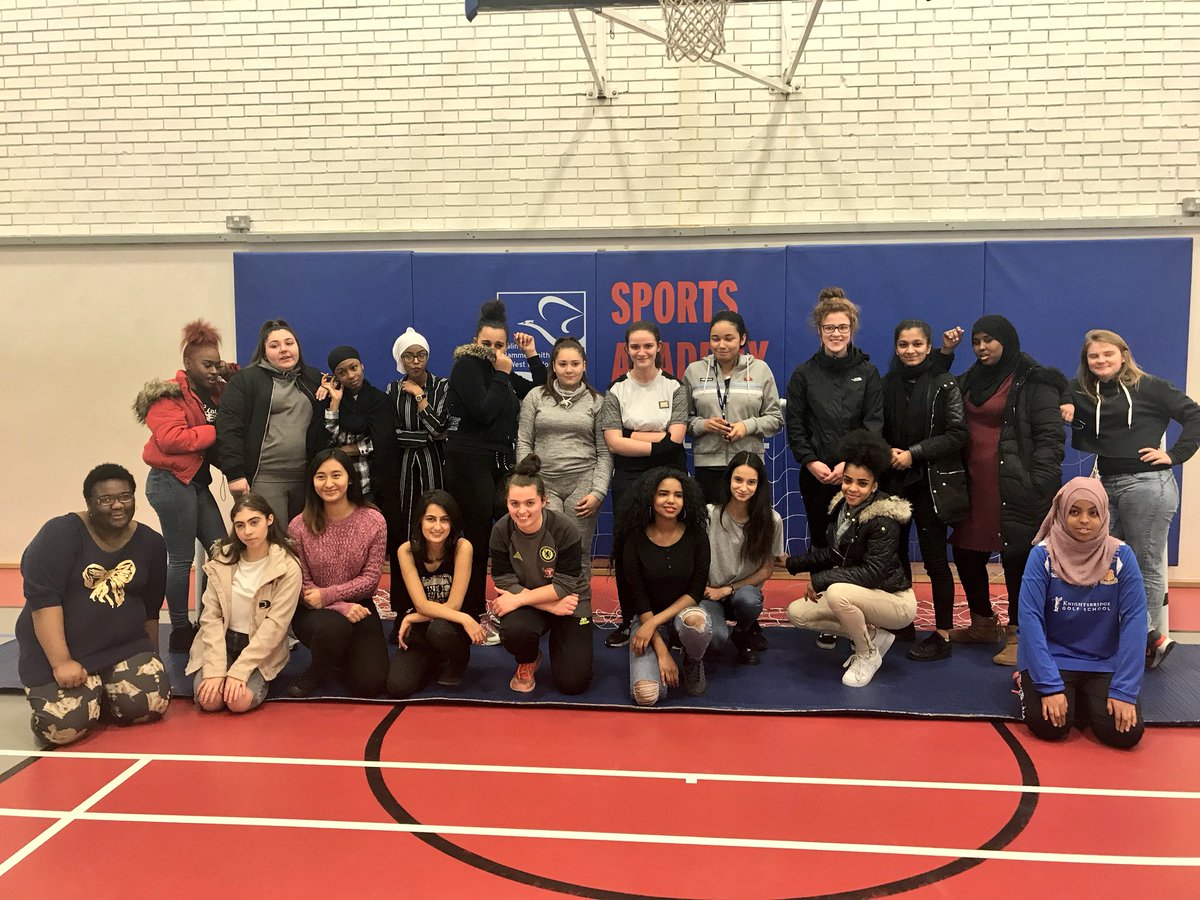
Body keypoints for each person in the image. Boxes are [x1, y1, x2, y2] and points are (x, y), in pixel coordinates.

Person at [1063, 329, 1200, 669]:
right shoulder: (1085, 392)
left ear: (1123, 354)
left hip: (1147, 485)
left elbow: (1195, 416)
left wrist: (1176, 454)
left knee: (1145, 563)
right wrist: (1066, 404)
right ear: (1087, 361)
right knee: (1103, 561)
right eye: (1094, 356)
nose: (1101, 361)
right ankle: (1131, 635)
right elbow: (1061, 394)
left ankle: (1145, 642)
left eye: (1108, 354)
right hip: (1105, 484)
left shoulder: (1150, 386)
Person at [17, 464, 171, 745]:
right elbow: (43, 602)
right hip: (65, 653)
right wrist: (61, 662)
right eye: (105, 499)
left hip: (122, 648)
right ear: (89, 503)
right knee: (62, 730)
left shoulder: (151, 543)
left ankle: (99, 690)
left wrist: (153, 656)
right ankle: (83, 694)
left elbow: (150, 609)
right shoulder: (60, 533)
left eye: (125, 496)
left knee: (149, 705)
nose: (117, 505)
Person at [947, 315, 1066, 667]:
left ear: (1006, 340)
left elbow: (1049, 437)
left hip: (1015, 485)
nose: (982, 347)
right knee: (967, 555)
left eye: (989, 340)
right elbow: (937, 389)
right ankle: (983, 623)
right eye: (977, 341)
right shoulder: (970, 379)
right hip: (972, 484)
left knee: (1017, 559)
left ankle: (1019, 633)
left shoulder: (1034, 379)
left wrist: (1038, 482)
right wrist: (944, 354)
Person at [785, 287, 883, 650]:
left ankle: (859, 612)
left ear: (852, 328)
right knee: (823, 542)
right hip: (816, 477)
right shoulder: (803, 374)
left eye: (843, 327)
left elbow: (874, 423)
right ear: (819, 330)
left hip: (856, 478)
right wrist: (812, 462)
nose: (836, 333)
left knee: (858, 546)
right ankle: (826, 614)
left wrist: (849, 465)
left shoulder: (869, 373)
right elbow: (796, 425)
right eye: (830, 327)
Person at [1016, 477, 1146, 749]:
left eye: (1093, 512)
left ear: (1104, 514)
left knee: (1124, 734)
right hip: (1054, 659)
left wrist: (1125, 690)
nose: (1084, 520)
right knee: (1050, 726)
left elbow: (1135, 621)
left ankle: (1082, 698)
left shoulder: (1122, 556)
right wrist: (1049, 685)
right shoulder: (1042, 556)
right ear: (1062, 513)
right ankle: (1030, 682)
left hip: (1102, 662)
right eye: (1075, 511)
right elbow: (1030, 620)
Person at [135, 319, 237, 653]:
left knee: (221, 551)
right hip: (169, 481)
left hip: (194, 481)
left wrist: (230, 371)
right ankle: (180, 629)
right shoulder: (168, 394)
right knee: (180, 559)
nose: (213, 370)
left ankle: (209, 619)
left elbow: (238, 373)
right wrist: (215, 432)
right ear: (187, 365)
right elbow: (171, 438)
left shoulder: (214, 389)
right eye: (207, 364)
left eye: (216, 363)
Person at [785, 431, 917, 688]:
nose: (852, 488)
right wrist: (791, 564)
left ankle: (867, 654)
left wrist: (821, 580)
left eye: (862, 483)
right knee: (797, 613)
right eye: (848, 481)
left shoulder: (884, 518)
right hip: (863, 593)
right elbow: (835, 553)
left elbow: (872, 572)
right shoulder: (842, 508)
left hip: (896, 602)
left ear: (874, 485)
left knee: (835, 594)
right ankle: (873, 638)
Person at [445, 300, 547, 626]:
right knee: (475, 539)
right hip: (469, 461)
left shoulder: (502, 371)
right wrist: (504, 375)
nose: (492, 349)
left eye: (499, 345)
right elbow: (484, 410)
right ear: (475, 342)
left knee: (506, 536)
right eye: (486, 344)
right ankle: (470, 610)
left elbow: (539, 391)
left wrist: (531, 355)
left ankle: (514, 604)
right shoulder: (467, 367)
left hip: (500, 463)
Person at [880, 319, 969, 662]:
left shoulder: (944, 384)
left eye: (917, 344)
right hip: (893, 483)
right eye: (904, 344)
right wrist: (887, 451)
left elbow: (957, 434)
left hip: (931, 484)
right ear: (896, 347)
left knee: (934, 562)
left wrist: (913, 454)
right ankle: (901, 622)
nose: (910, 350)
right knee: (894, 558)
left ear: (929, 346)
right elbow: (875, 425)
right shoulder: (887, 384)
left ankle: (943, 633)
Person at [600, 321, 688, 649]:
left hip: (669, 473)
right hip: (629, 477)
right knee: (628, 548)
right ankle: (629, 620)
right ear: (627, 350)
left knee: (673, 544)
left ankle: (672, 620)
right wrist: (657, 438)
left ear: (659, 347)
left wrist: (631, 434)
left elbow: (677, 439)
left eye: (647, 346)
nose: (641, 352)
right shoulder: (616, 390)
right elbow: (613, 442)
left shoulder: (675, 387)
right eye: (635, 347)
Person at [517, 336, 611, 622]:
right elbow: (523, 442)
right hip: (543, 483)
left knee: (578, 551)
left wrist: (598, 492)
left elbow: (605, 452)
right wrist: (527, 484)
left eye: (575, 363)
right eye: (563, 364)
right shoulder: (535, 396)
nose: (569, 369)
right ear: (553, 367)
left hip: (583, 481)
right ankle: (547, 611)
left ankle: (579, 615)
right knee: (547, 550)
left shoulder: (598, 401)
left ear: (584, 366)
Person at [186, 493, 302, 713]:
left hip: (259, 645)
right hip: (221, 640)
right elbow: (210, 617)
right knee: (210, 701)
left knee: (237, 702)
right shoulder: (223, 559)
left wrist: (240, 670)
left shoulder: (288, 566)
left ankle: (255, 677)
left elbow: (275, 627)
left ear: (269, 520)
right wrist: (216, 669)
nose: (247, 531)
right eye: (240, 525)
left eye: (254, 522)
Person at [287, 449, 389, 697]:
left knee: (371, 683)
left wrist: (332, 596)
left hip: (359, 605)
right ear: (312, 481)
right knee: (334, 629)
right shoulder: (299, 525)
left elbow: (370, 581)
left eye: (336, 475)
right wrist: (339, 605)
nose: (329, 483)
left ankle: (338, 655)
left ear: (350, 478)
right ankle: (316, 672)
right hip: (314, 610)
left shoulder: (373, 521)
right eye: (321, 477)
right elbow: (304, 585)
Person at [490, 455, 591, 695]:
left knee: (573, 684)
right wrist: (549, 607)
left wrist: (519, 599)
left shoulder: (565, 529)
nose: (522, 511)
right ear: (507, 502)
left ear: (544, 501)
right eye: (514, 504)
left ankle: (563, 642)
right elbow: (504, 580)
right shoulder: (501, 531)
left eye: (530, 503)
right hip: (545, 603)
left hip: (570, 603)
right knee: (514, 630)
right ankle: (529, 658)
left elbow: (566, 586)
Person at [617, 468, 712, 705]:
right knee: (646, 696)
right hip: (647, 615)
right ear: (650, 497)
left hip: (682, 612)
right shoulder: (634, 539)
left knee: (697, 626)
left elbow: (696, 591)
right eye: (663, 494)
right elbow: (638, 596)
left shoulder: (697, 535)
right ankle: (665, 650)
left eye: (678, 495)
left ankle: (692, 659)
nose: (671, 501)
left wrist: (652, 624)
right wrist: (662, 652)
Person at [217, 318, 324, 523]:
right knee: (274, 542)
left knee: (303, 544)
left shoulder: (312, 377)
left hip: (307, 479)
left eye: (289, 343)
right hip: (265, 477)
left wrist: (329, 388)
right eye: (275, 346)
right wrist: (234, 474)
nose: (284, 349)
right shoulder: (245, 381)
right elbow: (228, 428)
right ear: (264, 351)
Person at [386, 490, 484, 698]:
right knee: (398, 686)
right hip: (427, 624)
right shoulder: (406, 551)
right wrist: (416, 615)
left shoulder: (462, 547)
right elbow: (421, 604)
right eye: (431, 519)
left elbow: (455, 604)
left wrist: (413, 616)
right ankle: (432, 658)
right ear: (420, 521)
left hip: (452, 625)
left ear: (453, 523)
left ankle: (457, 660)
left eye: (444, 520)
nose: (437, 527)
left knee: (439, 630)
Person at [682, 310, 783, 504]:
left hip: (749, 464)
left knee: (751, 527)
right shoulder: (694, 371)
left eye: (729, 338)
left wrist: (747, 427)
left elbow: (775, 419)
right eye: (715, 339)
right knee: (711, 526)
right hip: (708, 466)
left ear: (742, 338)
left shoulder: (760, 370)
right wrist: (705, 425)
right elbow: (682, 420)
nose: (721, 345)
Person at [703, 452, 783, 665]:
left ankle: (742, 631)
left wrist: (728, 589)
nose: (743, 487)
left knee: (749, 600)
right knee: (715, 640)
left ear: (759, 485)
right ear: (729, 479)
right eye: (738, 480)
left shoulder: (772, 520)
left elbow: (766, 570)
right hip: (709, 594)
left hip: (742, 593)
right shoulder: (708, 514)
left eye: (751, 482)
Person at [385, 327, 449, 563]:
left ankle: (437, 561)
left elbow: (439, 429)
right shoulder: (392, 390)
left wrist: (420, 396)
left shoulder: (442, 386)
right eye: (409, 356)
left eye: (421, 355)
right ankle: (408, 564)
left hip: (434, 462)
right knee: (406, 514)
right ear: (400, 359)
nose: (415, 361)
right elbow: (392, 434)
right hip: (403, 464)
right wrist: (424, 437)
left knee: (435, 512)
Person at [319, 345, 401, 507]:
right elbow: (326, 438)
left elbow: (384, 442)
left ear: (362, 365)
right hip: (339, 484)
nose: (350, 375)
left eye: (354, 368)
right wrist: (335, 403)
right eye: (342, 373)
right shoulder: (331, 400)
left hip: (373, 482)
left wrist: (348, 450)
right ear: (335, 377)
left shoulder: (380, 401)